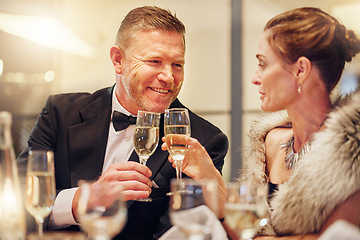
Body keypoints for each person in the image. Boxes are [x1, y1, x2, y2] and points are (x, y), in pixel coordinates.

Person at [17, 6, 228, 240]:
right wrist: (82, 200)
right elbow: (17, 202)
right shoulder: (61, 113)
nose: (169, 76)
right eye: (155, 61)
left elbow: (180, 232)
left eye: (177, 64)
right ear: (118, 60)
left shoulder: (203, 140)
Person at [162, 7, 360, 239]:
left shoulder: (351, 153)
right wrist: (210, 176)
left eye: (263, 63)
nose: (255, 78)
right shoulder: (270, 142)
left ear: (301, 70)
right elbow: (247, 232)